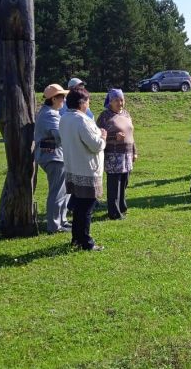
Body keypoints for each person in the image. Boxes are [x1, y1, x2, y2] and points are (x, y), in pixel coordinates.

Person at [59, 87, 106, 251]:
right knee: (86, 207)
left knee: (79, 206)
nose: (89, 103)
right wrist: (103, 137)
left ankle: (76, 239)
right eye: (88, 100)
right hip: (87, 169)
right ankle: (86, 242)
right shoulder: (82, 120)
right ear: (82, 103)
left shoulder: (64, 118)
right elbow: (95, 145)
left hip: (73, 167)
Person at [35, 84, 71, 233]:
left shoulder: (48, 112)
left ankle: (62, 220)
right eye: (62, 97)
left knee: (64, 191)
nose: (64, 99)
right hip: (54, 157)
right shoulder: (50, 114)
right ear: (54, 98)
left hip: (57, 156)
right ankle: (55, 225)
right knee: (57, 192)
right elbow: (60, 135)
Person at [97, 89, 137, 220]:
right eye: (116, 100)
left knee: (124, 181)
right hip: (113, 155)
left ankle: (122, 207)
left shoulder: (126, 113)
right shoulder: (105, 116)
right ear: (110, 101)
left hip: (127, 154)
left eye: (121, 100)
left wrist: (134, 151)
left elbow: (131, 134)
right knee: (114, 183)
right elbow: (98, 135)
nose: (120, 103)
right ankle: (114, 212)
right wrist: (114, 136)